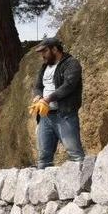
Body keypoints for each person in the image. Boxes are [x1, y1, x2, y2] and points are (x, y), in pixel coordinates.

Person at [32, 37, 86, 168]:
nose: (42, 55)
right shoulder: (44, 67)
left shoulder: (71, 63)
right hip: (45, 116)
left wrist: (48, 99)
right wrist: (38, 96)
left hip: (65, 115)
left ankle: (84, 184)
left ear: (55, 49)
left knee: (75, 154)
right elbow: (38, 86)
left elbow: (69, 85)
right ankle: (43, 187)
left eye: (44, 51)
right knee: (43, 157)